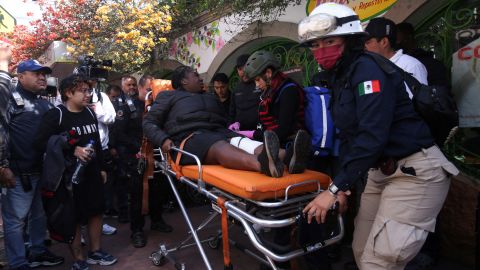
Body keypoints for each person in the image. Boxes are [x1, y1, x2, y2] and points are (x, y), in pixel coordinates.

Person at [298, 3, 459, 270]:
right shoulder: (341, 77)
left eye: (329, 40)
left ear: (349, 39)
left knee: (378, 263)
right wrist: (344, 187)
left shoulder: (368, 69)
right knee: (361, 253)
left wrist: (334, 189)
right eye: (314, 44)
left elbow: (372, 134)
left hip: (415, 173)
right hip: (379, 173)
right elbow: (350, 136)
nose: (321, 49)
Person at [143, 65, 310, 179]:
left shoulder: (210, 97)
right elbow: (148, 123)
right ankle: (264, 165)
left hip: (219, 132)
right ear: (184, 81)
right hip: (190, 137)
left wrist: (233, 130)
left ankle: (290, 158)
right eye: (195, 75)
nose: (201, 78)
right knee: (219, 145)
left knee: (245, 143)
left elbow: (223, 120)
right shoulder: (168, 97)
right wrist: (163, 140)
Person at [35, 74, 117, 270]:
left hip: (92, 172)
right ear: (68, 93)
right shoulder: (57, 115)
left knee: (96, 211)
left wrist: (102, 168)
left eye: (89, 90)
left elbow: (96, 142)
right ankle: (79, 259)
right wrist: (72, 150)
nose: (88, 94)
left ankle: (95, 252)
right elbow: (39, 142)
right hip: (68, 176)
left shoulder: (89, 113)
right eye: (83, 90)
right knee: (73, 216)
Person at [0, 55, 64, 269]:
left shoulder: (42, 103)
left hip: (41, 171)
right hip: (17, 173)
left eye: (44, 74)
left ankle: (37, 251)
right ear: (20, 76)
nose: (42, 78)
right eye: (36, 73)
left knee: (38, 216)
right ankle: (18, 262)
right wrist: (2, 166)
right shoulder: (8, 99)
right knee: (15, 221)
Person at [364, 17, 428, 89]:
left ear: (384, 42)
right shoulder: (367, 68)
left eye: (368, 42)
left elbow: (421, 98)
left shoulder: (411, 66)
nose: (364, 46)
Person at [396, 22, 450, 87]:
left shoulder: (429, 63)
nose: (395, 41)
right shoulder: (397, 63)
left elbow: (441, 91)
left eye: (397, 37)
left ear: (408, 37)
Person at [228, 54, 261, 131]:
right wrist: (230, 128)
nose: (243, 72)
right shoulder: (236, 90)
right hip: (241, 134)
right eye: (240, 69)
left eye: (246, 68)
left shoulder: (261, 84)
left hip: (259, 132)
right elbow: (232, 114)